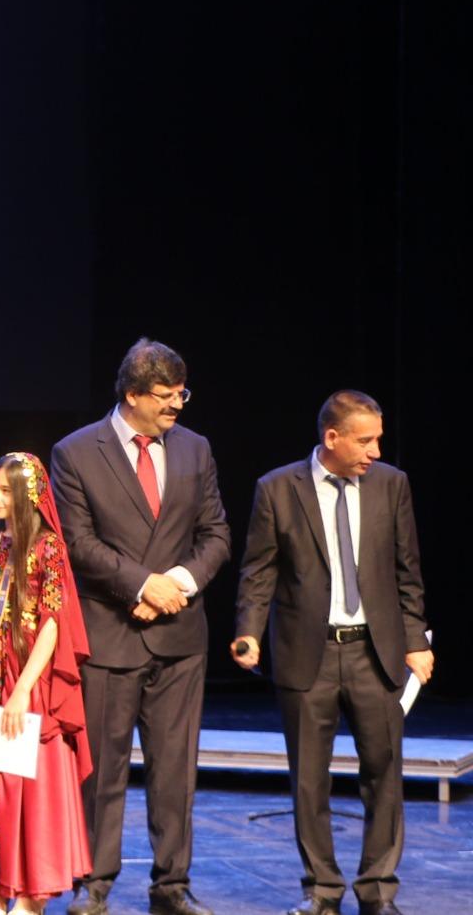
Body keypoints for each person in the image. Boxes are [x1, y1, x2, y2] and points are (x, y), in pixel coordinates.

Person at [232, 390, 432, 915]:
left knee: (384, 772)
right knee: (309, 779)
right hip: (308, 654)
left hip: (376, 653)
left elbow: (408, 572)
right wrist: (249, 631)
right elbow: (259, 571)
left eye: (378, 440)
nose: (375, 451)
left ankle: (377, 889)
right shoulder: (278, 488)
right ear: (332, 438)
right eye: (365, 441)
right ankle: (321, 889)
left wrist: (416, 641)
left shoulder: (391, 484)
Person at [49, 338, 230, 915]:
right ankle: (93, 884)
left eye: (182, 393)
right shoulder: (77, 452)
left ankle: (171, 885)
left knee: (175, 772)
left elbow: (215, 534)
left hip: (179, 636)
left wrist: (174, 583)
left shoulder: (195, 448)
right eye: (165, 395)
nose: (177, 404)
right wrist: (141, 585)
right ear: (132, 395)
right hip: (110, 634)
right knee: (101, 771)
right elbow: (77, 543)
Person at [0, 452, 94, 914]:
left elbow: (53, 624)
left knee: (31, 785)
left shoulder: (47, 547)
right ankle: (0, 888)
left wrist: (20, 692)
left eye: (5, 490)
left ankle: (33, 895)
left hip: (31, 681)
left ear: (28, 494)